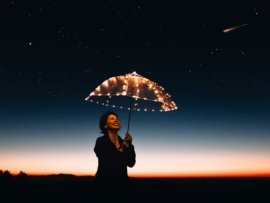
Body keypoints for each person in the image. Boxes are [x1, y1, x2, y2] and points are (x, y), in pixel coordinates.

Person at [93, 111, 136, 194]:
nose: (116, 120)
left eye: (117, 119)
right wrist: (122, 149)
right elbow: (107, 162)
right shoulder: (101, 141)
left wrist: (129, 147)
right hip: (103, 186)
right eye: (112, 119)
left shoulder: (125, 143)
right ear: (105, 125)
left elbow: (131, 163)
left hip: (122, 186)